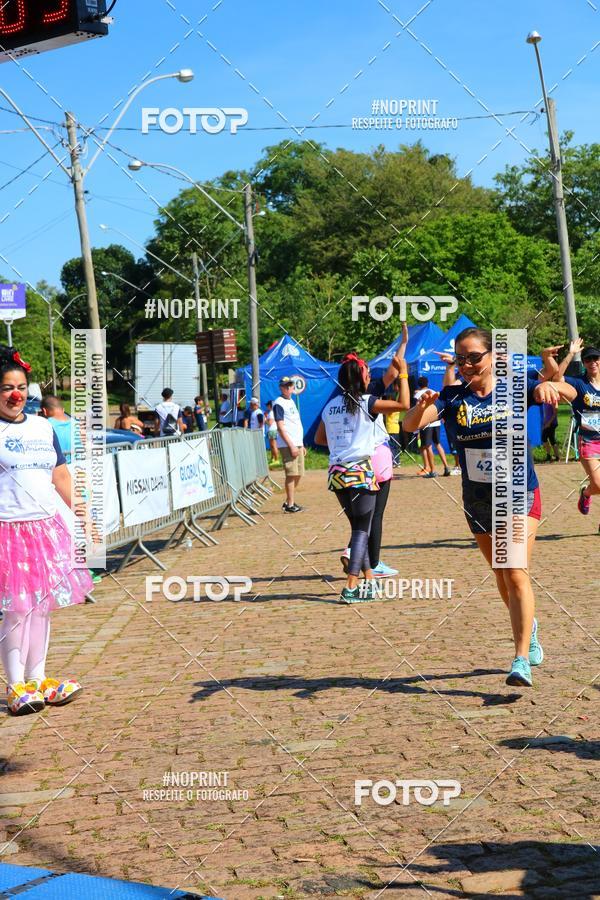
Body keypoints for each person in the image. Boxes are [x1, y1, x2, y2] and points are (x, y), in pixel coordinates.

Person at [403, 326, 571, 687]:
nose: (466, 364)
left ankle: (520, 657)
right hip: (478, 499)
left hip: (518, 492)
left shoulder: (516, 386)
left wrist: (549, 386)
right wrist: (420, 407)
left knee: (514, 570)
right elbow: (409, 425)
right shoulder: (451, 397)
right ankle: (531, 625)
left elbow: (571, 390)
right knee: (501, 574)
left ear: (493, 356)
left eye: (474, 357)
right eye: (461, 358)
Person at [0, 345, 90, 715]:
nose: (14, 394)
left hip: (44, 530)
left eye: (20, 386)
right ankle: (15, 685)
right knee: (16, 610)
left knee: (41, 608)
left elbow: (60, 475)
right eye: (6, 387)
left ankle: (38, 680)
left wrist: (83, 513)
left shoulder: (43, 426)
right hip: (6, 531)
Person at [315, 354, 409, 603]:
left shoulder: (330, 405)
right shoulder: (367, 402)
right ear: (359, 378)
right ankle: (350, 587)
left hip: (337, 473)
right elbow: (404, 406)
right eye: (367, 374)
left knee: (360, 529)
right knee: (360, 530)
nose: (370, 377)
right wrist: (404, 374)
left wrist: (343, 443)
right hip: (359, 471)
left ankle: (370, 579)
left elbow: (319, 439)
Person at [549, 340, 600, 521]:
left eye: (595, 358)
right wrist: (571, 354)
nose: (592, 362)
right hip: (588, 440)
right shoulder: (579, 382)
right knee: (598, 484)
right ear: (584, 363)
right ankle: (586, 494)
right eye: (588, 360)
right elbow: (556, 379)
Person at [273, 377, 305, 512]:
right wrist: (291, 445)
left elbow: (296, 423)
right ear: (281, 388)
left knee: (298, 474)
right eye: (285, 386)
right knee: (291, 474)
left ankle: (288, 502)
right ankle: (290, 505)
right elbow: (280, 427)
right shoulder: (278, 403)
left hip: (297, 442)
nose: (288, 388)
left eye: (290, 385)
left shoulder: (291, 401)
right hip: (288, 444)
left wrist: (301, 444)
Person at [413, 376, 451, 477]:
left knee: (428, 446)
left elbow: (417, 409)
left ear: (418, 384)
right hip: (436, 421)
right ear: (427, 383)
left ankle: (432, 470)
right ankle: (446, 467)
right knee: (438, 444)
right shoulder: (433, 391)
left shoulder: (418, 394)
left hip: (427, 423)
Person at [40, 395, 74, 462]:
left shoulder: (45, 426)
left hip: (58, 469)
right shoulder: (79, 425)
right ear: (63, 410)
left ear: (44, 411)